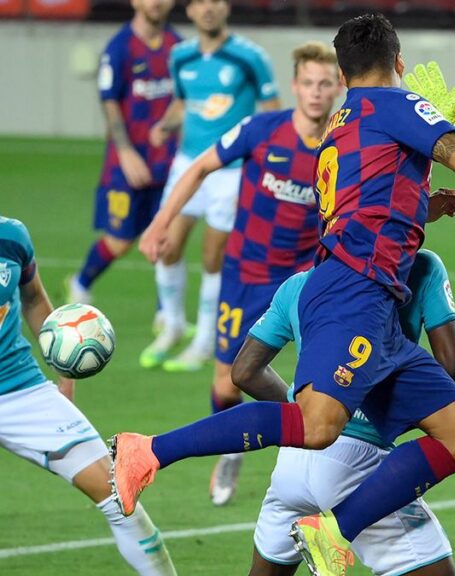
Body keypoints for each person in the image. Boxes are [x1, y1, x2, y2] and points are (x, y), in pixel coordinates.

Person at [110, 13, 455, 576]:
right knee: (318, 427)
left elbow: (359, 214)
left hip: (373, 301)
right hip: (354, 293)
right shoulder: (392, 104)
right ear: (398, 62)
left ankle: (335, 531)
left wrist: (422, 208)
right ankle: (147, 451)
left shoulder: (338, 131)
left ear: (341, 76)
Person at [138, 41, 340, 507]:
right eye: (307, 82)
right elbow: (201, 166)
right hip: (247, 274)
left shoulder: (341, 144)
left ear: (338, 87)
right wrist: (161, 220)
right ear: (294, 85)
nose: (314, 92)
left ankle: (313, 458)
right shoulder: (261, 129)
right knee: (227, 385)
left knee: (326, 382)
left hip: (308, 280)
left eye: (324, 83)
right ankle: (232, 450)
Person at [235, 249, 455, 576]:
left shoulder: (300, 284)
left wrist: (305, 417)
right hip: (357, 468)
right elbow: (454, 363)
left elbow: (245, 371)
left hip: (292, 465)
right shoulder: (421, 267)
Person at [0, 216, 176, 575]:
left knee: (119, 497)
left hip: (19, 387)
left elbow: (33, 299)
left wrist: (64, 375)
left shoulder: (11, 236)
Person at [141, 0, 280, 372]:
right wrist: (164, 125)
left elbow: (273, 110)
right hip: (187, 164)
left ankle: (203, 342)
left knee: (212, 257)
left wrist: (272, 160)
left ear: (226, 8)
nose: (208, 9)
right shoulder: (180, 56)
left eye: (215, 2)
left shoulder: (250, 57)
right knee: (166, 245)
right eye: (200, 2)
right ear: (189, 11)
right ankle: (171, 326)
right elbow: (183, 104)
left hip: (231, 171)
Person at [67, 0, 179, 305]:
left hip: (167, 162)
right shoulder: (119, 47)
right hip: (125, 166)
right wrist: (126, 152)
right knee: (120, 240)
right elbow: (109, 101)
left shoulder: (177, 46)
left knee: (167, 236)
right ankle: (80, 282)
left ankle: (166, 314)